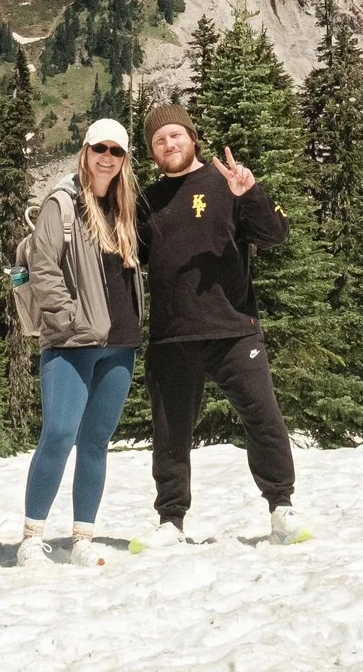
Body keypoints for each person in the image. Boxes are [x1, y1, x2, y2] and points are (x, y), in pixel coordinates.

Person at [132, 101, 311, 547]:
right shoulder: (146, 202)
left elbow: (276, 234)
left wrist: (249, 193)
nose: (169, 143)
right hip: (172, 336)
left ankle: (282, 509)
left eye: (175, 135)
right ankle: (171, 521)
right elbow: (126, 259)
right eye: (158, 140)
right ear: (152, 152)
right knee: (170, 434)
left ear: (193, 138)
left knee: (263, 419)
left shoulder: (227, 184)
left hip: (234, 330)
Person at [14, 116, 143, 567]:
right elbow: (44, 266)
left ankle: (81, 540)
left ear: (125, 160)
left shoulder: (126, 207)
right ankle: (32, 538)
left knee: (95, 442)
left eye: (116, 151)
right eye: (99, 149)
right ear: (85, 151)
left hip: (120, 342)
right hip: (70, 342)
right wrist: (67, 317)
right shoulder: (62, 203)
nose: (106, 158)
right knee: (59, 434)